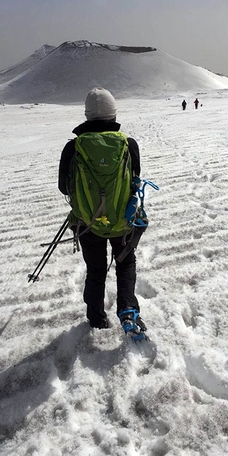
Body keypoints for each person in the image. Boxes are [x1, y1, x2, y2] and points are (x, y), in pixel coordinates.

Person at [58, 87, 146, 334]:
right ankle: (128, 311)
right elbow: (135, 178)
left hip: (87, 223)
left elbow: (63, 187)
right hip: (123, 221)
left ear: (87, 115)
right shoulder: (128, 144)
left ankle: (96, 318)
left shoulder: (73, 148)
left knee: (95, 270)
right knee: (125, 263)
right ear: (113, 114)